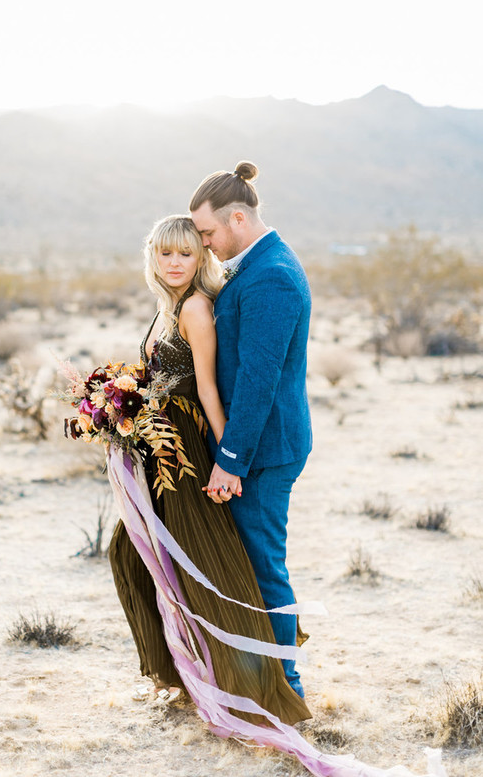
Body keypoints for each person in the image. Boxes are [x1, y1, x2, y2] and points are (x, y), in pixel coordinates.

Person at [108, 214, 311, 727]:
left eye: (186, 254)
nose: (175, 263)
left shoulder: (196, 308)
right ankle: (190, 674)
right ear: (152, 256)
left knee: (202, 566)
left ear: (202, 259)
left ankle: (259, 686)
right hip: (160, 447)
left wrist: (227, 459)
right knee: (154, 559)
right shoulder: (167, 306)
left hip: (186, 455)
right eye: (166, 254)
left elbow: (207, 389)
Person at [189, 161, 312, 698]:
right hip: (254, 443)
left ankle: (288, 687)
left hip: (264, 449)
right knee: (252, 564)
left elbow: (259, 381)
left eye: (208, 232)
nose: (205, 244)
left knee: (265, 569)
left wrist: (230, 459)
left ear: (237, 217)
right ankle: (254, 680)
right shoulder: (252, 265)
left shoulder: (273, 277)